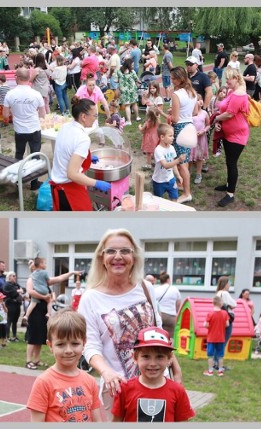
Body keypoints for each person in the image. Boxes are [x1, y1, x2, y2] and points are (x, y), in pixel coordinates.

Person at [77, 229, 182, 420]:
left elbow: (159, 332)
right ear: (102, 257)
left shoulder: (146, 288)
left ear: (133, 257)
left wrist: (175, 368)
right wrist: (106, 372)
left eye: (125, 251)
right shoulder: (90, 298)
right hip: (118, 386)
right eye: (111, 251)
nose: (118, 257)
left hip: (156, 381)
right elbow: (90, 345)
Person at [27, 309, 103, 422]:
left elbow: (97, 420)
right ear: (50, 345)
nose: (68, 350)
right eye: (61, 344)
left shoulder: (90, 381)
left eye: (75, 343)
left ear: (84, 343)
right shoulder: (44, 382)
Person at [111, 327, 194, 422]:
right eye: (146, 356)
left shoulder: (178, 391)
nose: (153, 363)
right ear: (135, 357)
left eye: (159, 357)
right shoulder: (125, 389)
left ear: (169, 358)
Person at [50, 97, 111, 211]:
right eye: (95, 115)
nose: (95, 119)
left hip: (58, 183)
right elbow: (72, 174)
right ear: (83, 116)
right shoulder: (83, 138)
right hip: (67, 189)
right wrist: (96, 183)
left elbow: (67, 151)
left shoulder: (65, 126)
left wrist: (86, 158)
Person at [2, 67, 46, 191]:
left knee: (19, 155)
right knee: (35, 156)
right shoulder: (36, 94)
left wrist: (14, 112)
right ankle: (34, 183)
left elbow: (5, 115)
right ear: (28, 78)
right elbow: (42, 114)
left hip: (20, 130)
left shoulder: (10, 94)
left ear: (18, 78)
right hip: (34, 129)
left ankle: (18, 181)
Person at [211, 67, 250, 207]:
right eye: (226, 78)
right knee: (228, 161)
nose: (226, 81)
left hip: (237, 136)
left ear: (237, 79)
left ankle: (230, 194)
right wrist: (219, 123)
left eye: (229, 79)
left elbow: (229, 114)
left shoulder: (238, 94)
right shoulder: (233, 91)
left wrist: (216, 119)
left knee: (232, 163)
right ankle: (228, 184)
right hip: (229, 133)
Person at [169, 66, 198, 204]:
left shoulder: (177, 94)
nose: (171, 80)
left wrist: (171, 114)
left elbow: (174, 118)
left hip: (179, 128)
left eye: (173, 78)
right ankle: (183, 185)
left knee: (182, 163)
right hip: (189, 126)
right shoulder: (192, 92)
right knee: (184, 161)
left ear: (180, 79)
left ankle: (187, 193)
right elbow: (194, 112)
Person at [22, 257, 78, 324]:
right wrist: (44, 297)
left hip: (44, 312)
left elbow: (59, 278)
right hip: (36, 312)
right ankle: (27, 317)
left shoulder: (43, 280)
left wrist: (72, 273)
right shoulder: (31, 279)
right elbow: (30, 292)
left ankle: (47, 314)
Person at [203, 295, 230, 377]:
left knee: (210, 355)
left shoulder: (210, 313)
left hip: (211, 338)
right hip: (221, 338)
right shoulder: (225, 313)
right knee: (220, 355)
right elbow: (227, 324)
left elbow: (205, 324)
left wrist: (210, 326)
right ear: (220, 303)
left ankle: (210, 371)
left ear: (213, 303)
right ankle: (220, 371)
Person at [115, 58, 141, 125]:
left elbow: (116, 80)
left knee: (127, 105)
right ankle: (137, 117)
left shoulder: (119, 71)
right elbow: (137, 79)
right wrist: (138, 82)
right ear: (128, 65)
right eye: (132, 64)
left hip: (124, 91)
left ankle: (129, 121)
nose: (133, 66)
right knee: (134, 103)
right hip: (133, 90)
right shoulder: (132, 72)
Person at [215, 276, 237, 345]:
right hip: (226, 318)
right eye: (229, 283)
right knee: (225, 337)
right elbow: (234, 304)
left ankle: (216, 354)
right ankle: (219, 354)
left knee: (219, 338)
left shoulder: (218, 293)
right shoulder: (225, 293)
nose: (229, 285)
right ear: (226, 284)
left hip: (218, 317)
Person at [3, 272, 24, 342]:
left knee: (15, 321)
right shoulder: (7, 285)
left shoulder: (16, 284)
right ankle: (7, 336)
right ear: (9, 277)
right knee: (9, 320)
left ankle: (14, 336)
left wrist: (19, 291)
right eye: (13, 276)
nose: (15, 277)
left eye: (15, 276)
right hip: (10, 304)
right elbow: (12, 293)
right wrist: (18, 291)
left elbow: (23, 290)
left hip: (17, 304)